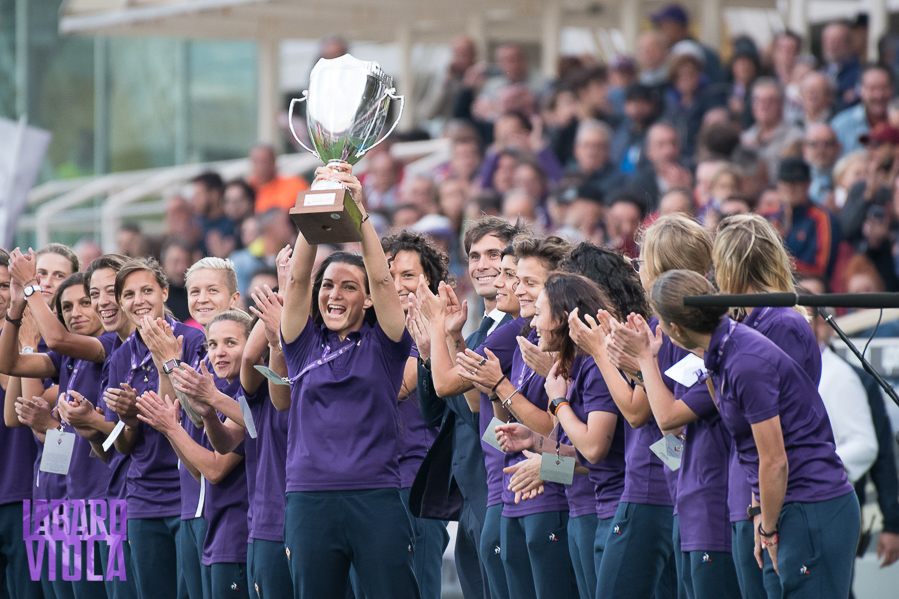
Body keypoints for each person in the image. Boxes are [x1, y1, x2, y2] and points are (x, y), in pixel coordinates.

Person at [650, 269, 860, 598]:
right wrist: (761, 517)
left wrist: (769, 530)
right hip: (779, 506)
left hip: (808, 504)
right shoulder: (722, 352)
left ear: (674, 327)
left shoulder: (743, 360)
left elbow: (774, 460)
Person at [278, 162, 420, 598]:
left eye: (348, 287)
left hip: (375, 495)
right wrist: (318, 205)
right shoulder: (300, 341)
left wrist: (357, 213)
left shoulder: (386, 343)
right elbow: (299, 277)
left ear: (368, 301)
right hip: (308, 499)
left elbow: (381, 277)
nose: (334, 295)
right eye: (329, 286)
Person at [712, 214, 825, 599]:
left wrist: (763, 513)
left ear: (730, 264)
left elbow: (775, 428)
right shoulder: (749, 324)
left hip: (773, 497)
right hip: (747, 494)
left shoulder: (780, 324)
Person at [410, 216, 521, 599]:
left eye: (495, 254)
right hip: (474, 492)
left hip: (501, 490)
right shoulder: (477, 332)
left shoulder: (515, 328)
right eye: (474, 256)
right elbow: (445, 411)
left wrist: (441, 332)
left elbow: (464, 400)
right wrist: (440, 346)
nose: (482, 265)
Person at [103, 258, 208, 599]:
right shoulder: (120, 357)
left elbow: (188, 418)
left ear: (165, 292)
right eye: (129, 294)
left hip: (185, 491)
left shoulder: (192, 340)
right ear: (120, 303)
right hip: (143, 498)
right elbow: (124, 445)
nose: (139, 300)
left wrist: (166, 363)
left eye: (147, 290)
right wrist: (128, 417)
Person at [136, 310, 257, 599]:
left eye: (231, 342)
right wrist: (170, 428)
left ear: (251, 346)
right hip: (215, 533)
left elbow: (215, 470)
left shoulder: (243, 395)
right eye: (212, 344)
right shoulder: (216, 390)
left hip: (236, 532)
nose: (220, 352)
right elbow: (197, 470)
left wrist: (173, 429)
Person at [381, 230, 452, 599]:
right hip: (370, 484)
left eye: (408, 275)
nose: (397, 285)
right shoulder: (369, 332)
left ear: (429, 280)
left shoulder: (434, 330)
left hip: (414, 483)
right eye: (388, 276)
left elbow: (395, 389)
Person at [0, 247, 42, 599]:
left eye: (3, 285)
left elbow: (14, 403)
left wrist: (15, 328)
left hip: (23, 493)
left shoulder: (35, 339)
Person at [740, 78, 804, 185]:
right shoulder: (746, 137)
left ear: (781, 104)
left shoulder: (796, 137)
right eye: (758, 100)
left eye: (770, 100)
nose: (763, 106)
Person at [831, 65, 894, 156]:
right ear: (860, 90)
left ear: (892, 89)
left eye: (884, 88)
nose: (879, 95)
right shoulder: (841, 125)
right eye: (872, 89)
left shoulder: (896, 122)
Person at [248, 144, 310, 213]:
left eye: (265, 161)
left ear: (274, 161)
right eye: (257, 161)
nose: (261, 166)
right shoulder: (247, 189)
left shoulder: (294, 184)